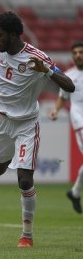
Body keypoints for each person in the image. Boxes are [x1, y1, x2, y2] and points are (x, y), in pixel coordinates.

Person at [0, 12, 75, 247]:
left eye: (0, 35)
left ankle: (27, 235)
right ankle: (6, 160)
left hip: (27, 123)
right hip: (0, 120)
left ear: (14, 35)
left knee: (24, 179)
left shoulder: (37, 57)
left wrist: (46, 71)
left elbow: (70, 85)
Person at [49, 41, 83, 214]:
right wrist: (55, 110)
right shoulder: (69, 75)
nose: (78, 55)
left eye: (81, 52)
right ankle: (75, 192)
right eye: (75, 53)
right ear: (72, 56)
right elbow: (63, 97)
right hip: (80, 120)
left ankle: (75, 192)